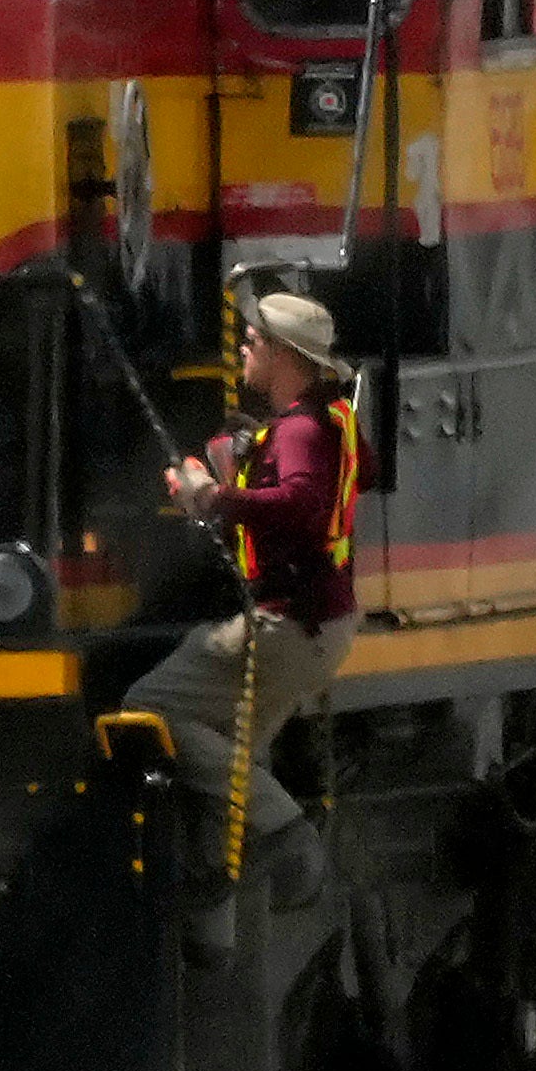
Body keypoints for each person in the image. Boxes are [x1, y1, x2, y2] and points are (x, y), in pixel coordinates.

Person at [149, 286, 360, 872]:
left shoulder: (299, 432)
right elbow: (307, 484)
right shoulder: (327, 421)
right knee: (229, 761)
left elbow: (300, 501)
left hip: (288, 624)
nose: (243, 346)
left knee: (154, 707)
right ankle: (214, 919)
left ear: (286, 356)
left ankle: (288, 830)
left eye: (255, 340)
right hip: (323, 624)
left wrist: (213, 496)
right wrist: (234, 462)